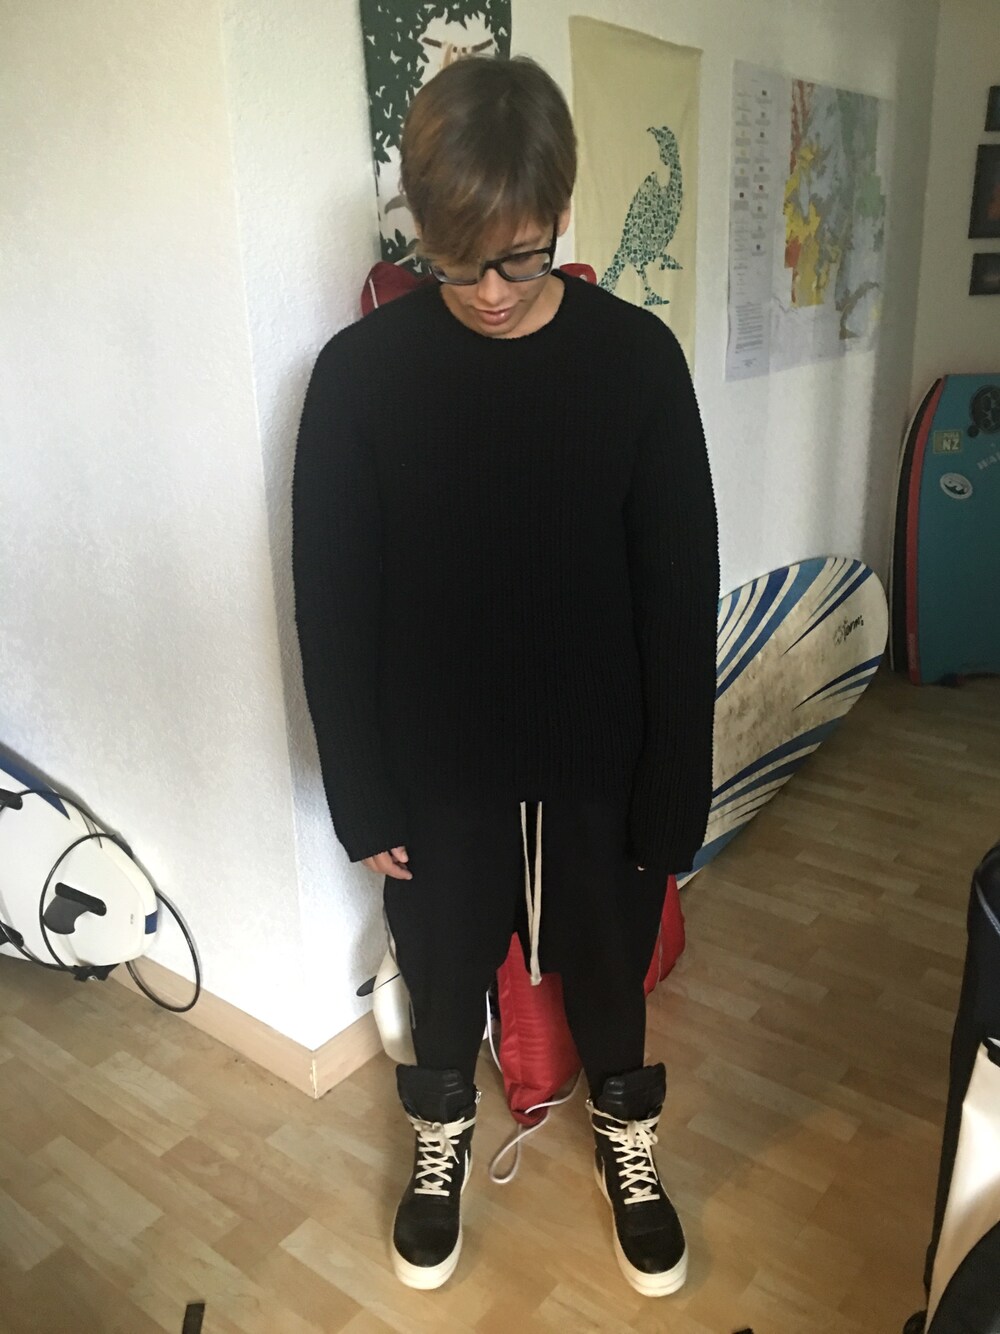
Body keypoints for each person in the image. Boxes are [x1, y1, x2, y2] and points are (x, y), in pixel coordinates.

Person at [292, 54, 719, 1298]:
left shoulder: (636, 363)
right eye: (456, 259)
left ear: (561, 213)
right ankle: (439, 1143)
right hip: (437, 764)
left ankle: (627, 1141)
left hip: (603, 754)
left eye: (520, 258)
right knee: (438, 972)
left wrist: (675, 786)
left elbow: (677, 591)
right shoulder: (359, 378)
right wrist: (361, 790)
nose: (487, 289)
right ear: (421, 231)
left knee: (611, 973)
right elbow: (332, 598)